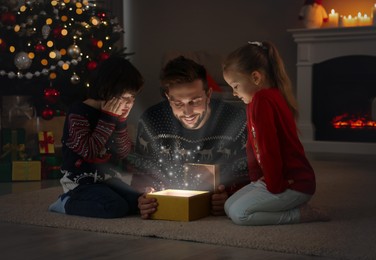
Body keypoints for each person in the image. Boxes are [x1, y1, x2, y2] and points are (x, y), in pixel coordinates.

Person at [222, 41, 330, 225]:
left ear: (255, 77)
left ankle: (300, 214)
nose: (234, 93)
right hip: (273, 179)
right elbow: (252, 145)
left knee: (240, 214)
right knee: (228, 206)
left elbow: (268, 148)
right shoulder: (254, 102)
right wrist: (257, 180)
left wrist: (273, 186)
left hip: (294, 184)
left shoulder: (264, 100)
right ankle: (284, 201)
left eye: (235, 86)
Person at [129, 56, 249, 219]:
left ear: (208, 94)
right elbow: (142, 174)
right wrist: (144, 197)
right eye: (178, 103)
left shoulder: (235, 120)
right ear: (168, 97)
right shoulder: (152, 121)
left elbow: (249, 174)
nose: (187, 112)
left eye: (195, 101)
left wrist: (229, 197)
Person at [48, 55, 144, 218]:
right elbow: (90, 152)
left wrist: (120, 122)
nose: (130, 104)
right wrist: (107, 118)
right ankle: (66, 202)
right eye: (125, 98)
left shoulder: (115, 116)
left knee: (138, 201)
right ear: (107, 91)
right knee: (114, 207)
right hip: (80, 183)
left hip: (107, 180)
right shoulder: (78, 113)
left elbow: (123, 152)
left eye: (133, 99)